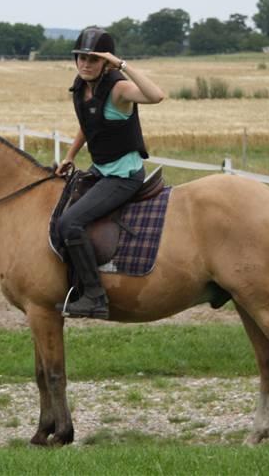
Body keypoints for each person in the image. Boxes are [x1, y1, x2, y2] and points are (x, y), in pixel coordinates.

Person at [55, 27, 165, 319]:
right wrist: (69, 155)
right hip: (101, 169)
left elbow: (157, 96)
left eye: (93, 59)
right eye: (81, 58)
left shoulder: (119, 89)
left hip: (123, 176)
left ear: (105, 62)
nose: (85, 64)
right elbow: (87, 123)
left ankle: (95, 296)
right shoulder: (83, 86)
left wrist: (122, 65)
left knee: (70, 223)